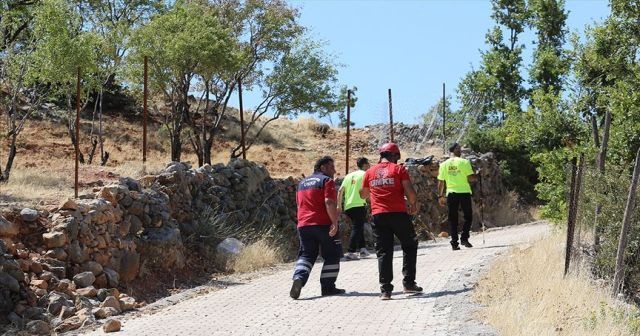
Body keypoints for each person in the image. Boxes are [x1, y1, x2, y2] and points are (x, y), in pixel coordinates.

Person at [360, 143, 423, 300]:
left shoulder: (369, 172)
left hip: (378, 215)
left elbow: (363, 194)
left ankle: (385, 290)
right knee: (409, 244)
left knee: (384, 251)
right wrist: (413, 204)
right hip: (398, 214)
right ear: (395, 155)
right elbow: (410, 192)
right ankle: (408, 283)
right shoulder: (399, 169)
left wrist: (376, 195)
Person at [290, 156, 345, 299]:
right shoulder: (326, 181)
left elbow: (299, 204)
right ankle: (328, 288)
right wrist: (334, 222)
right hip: (323, 224)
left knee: (307, 255)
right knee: (332, 255)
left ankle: (299, 279)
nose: (334, 171)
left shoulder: (301, 183)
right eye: (332, 167)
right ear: (323, 168)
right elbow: (329, 202)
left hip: (304, 225)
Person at [437, 142, 478, 251]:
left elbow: (441, 181)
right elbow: (470, 178)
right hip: (464, 192)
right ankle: (464, 238)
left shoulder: (444, 164)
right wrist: (476, 176)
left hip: (451, 193)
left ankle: (454, 243)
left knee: (452, 218)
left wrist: (440, 196)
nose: (460, 150)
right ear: (454, 150)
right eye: (459, 149)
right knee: (468, 216)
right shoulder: (464, 162)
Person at [338, 157, 372, 260]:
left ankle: (362, 249)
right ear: (365, 165)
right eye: (368, 164)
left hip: (348, 206)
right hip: (359, 204)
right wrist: (371, 202)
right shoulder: (365, 174)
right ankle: (351, 251)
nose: (369, 166)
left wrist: (339, 205)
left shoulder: (349, 176)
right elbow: (367, 190)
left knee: (358, 226)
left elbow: (340, 191)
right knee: (357, 227)